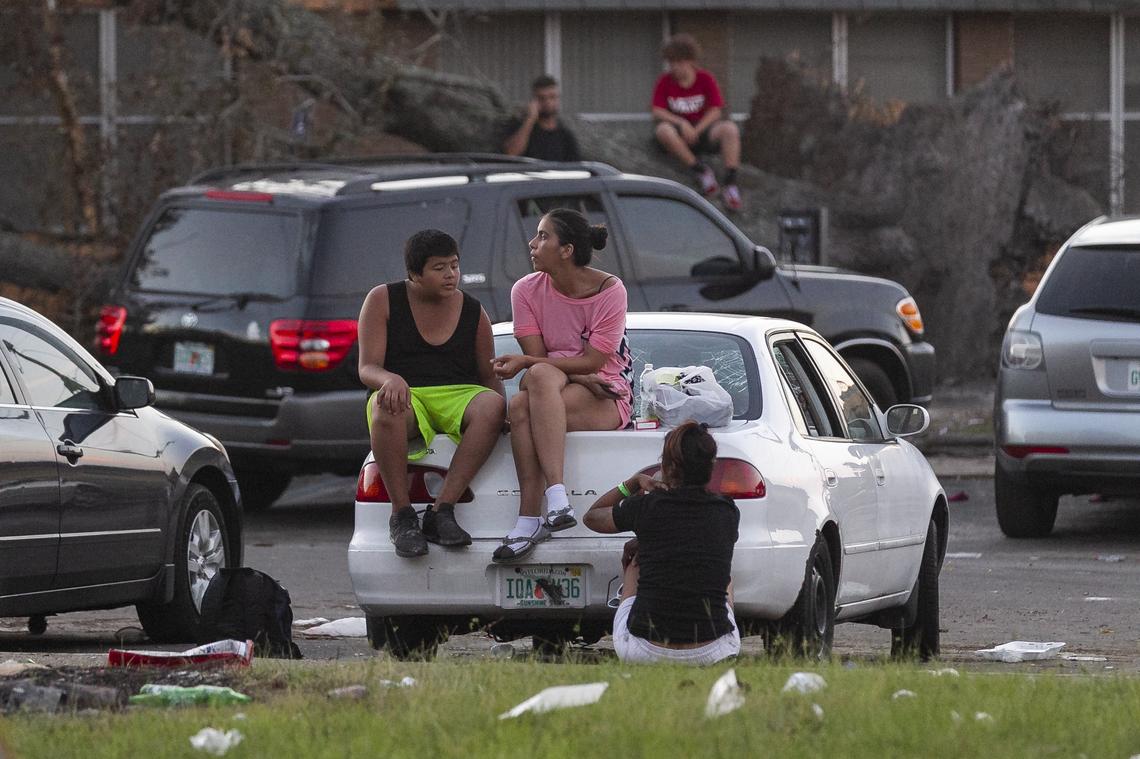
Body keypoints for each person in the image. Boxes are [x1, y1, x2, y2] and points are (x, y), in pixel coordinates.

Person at [490, 208, 632, 562]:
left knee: (524, 401)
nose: (532, 243)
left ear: (566, 250)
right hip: (555, 384)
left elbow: (596, 362)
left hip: (605, 392)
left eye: (542, 236)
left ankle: (530, 517)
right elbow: (539, 356)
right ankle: (555, 500)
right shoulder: (525, 290)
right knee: (532, 388)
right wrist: (575, 372)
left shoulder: (610, 290)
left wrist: (576, 372)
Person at [357, 229, 506, 558]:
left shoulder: (473, 311)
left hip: (457, 394)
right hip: (407, 394)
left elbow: (487, 375)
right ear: (414, 273)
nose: (451, 275)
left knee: (492, 405)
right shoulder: (383, 299)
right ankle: (402, 516)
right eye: (440, 268)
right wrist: (388, 379)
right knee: (384, 407)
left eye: (454, 265)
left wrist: (504, 416)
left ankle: (442, 511)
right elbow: (367, 367)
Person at [583, 421, 740, 664]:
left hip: (645, 649)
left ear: (668, 466)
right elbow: (691, 536)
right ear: (710, 467)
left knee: (638, 559)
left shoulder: (647, 507)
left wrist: (633, 483)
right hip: (715, 650)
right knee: (724, 575)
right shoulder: (727, 511)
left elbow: (592, 517)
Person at [651, 33, 743, 212]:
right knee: (663, 130)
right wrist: (682, 124)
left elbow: (716, 109)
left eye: (678, 62)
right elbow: (657, 111)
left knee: (730, 128)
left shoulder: (705, 79)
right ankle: (700, 171)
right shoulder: (664, 82)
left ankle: (731, 184)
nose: (674, 67)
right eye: (671, 63)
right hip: (678, 137)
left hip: (702, 134)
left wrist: (697, 130)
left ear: (689, 61)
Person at [502, 75, 583, 163]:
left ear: (558, 99)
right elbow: (511, 154)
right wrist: (530, 119)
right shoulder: (519, 126)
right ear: (534, 101)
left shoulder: (565, 135)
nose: (547, 102)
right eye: (542, 98)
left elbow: (576, 167)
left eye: (552, 97)